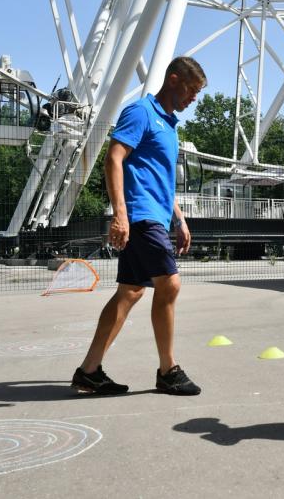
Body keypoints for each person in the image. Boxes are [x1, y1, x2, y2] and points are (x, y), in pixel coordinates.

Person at [71, 56, 206, 396]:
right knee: (170, 285)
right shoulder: (141, 112)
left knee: (130, 291)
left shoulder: (170, 125)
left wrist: (179, 218)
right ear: (173, 80)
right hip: (141, 217)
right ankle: (168, 370)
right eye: (191, 90)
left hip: (157, 216)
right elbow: (113, 159)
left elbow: (158, 179)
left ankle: (89, 371)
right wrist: (120, 214)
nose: (193, 98)